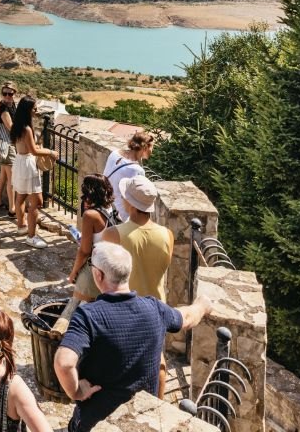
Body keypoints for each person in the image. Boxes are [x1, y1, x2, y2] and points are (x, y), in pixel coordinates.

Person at [54, 242, 212, 432]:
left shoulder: (88, 316)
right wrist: (202, 305)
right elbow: (186, 318)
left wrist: (77, 392)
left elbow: (64, 363)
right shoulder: (155, 308)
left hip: (98, 423)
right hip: (142, 421)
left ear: (99, 275)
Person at [102, 174, 175, 397]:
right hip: (155, 307)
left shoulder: (113, 234)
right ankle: (158, 405)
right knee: (157, 361)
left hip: (123, 308)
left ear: (130, 203)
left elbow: (103, 273)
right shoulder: (167, 235)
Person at [9, 96, 57, 248]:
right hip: (28, 165)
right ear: (27, 110)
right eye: (34, 108)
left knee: (20, 197)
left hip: (19, 162)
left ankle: (21, 226)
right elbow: (34, 151)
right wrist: (50, 152)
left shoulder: (16, 125)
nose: (36, 111)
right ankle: (31, 236)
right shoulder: (27, 128)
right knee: (37, 203)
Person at [67, 175, 115, 301]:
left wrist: (73, 273)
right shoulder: (111, 209)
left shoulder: (90, 215)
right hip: (110, 270)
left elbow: (84, 251)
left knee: (76, 308)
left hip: (93, 271)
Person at [104, 131, 154, 221]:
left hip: (107, 204)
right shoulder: (137, 170)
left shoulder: (115, 153)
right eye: (151, 147)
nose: (152, 150)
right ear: (144, 148)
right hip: (122, 213)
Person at [0, 81, 17, 217]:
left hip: (3, 145)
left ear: (14, 93)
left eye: (10, 93)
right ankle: (12, 208)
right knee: (11, 178)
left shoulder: (11, 105)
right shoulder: (4, 108)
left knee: (3, 173)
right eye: (5, 93)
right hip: (7, 145)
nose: (7, 96)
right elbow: (11, 127)